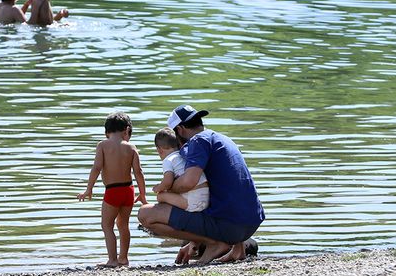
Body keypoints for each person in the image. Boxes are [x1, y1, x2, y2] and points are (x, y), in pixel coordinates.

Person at [138, 105, 265, 265]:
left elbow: (189, 182)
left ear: (180, 129)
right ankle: (238, 249)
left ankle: (215, 244)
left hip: (231, 226)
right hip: (251, 222)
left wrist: (167, 189)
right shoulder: (222, 139)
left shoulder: (198, 141)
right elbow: (224, 187)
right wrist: (193, 243)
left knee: (146, 214)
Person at [77, 112, 147, 267]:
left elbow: (97, 167)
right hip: (129, 190)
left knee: (107, 225)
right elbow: (138, 172)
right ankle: (124, 258)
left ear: (107, 131)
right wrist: (142, 194)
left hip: (113, 191)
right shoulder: (132, 147)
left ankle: (112, 260)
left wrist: (89, 189)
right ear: (126, 130)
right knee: (123, 225)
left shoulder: (103, 145)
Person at [152, 127, 209, 213]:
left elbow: (167, 183)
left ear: (159, 150)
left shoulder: (168, 160)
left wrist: (158, 188)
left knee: (161, 196)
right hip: (206, 198)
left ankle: (167, 215)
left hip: (193, 202)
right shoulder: (184, 155)